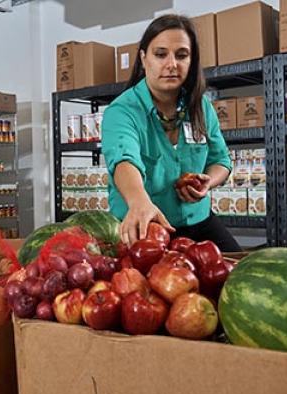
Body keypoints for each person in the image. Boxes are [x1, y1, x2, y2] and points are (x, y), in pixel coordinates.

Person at [102, 14, 241, 252]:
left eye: (181, 55)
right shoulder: (122, 111)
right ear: (144, 58)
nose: (171, 64)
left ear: (191, 61)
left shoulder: (201, 107)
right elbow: (124, 160)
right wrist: (139, 202)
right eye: (160, 54)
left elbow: (221, 161)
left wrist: (208, 183)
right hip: (145, 227)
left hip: (198, 220)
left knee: (238, 270)